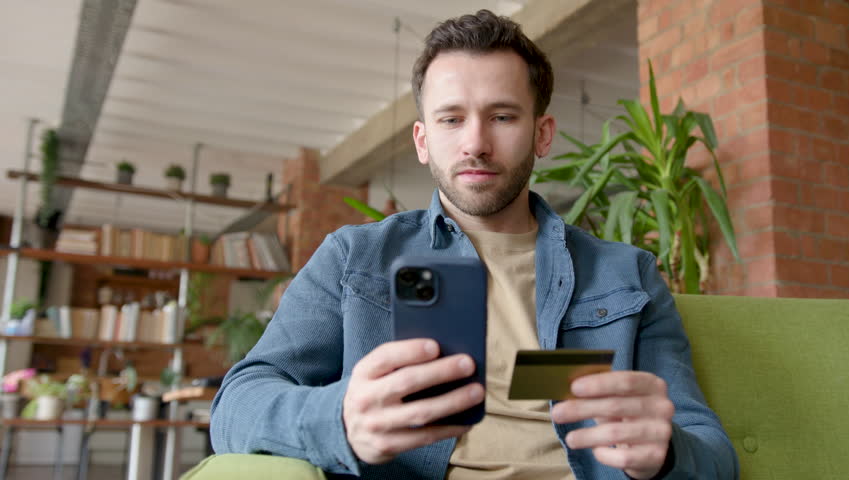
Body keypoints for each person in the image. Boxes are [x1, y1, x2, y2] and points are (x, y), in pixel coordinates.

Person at [210, 9, 738, 480]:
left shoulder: (627, 273)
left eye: (502, 116)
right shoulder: (356, 257)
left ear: (542, 134)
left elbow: (714, 453)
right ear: (423, 140)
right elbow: (237, 405)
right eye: (451, 118)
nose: (476, 143)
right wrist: (340, 420)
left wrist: (665, 453)